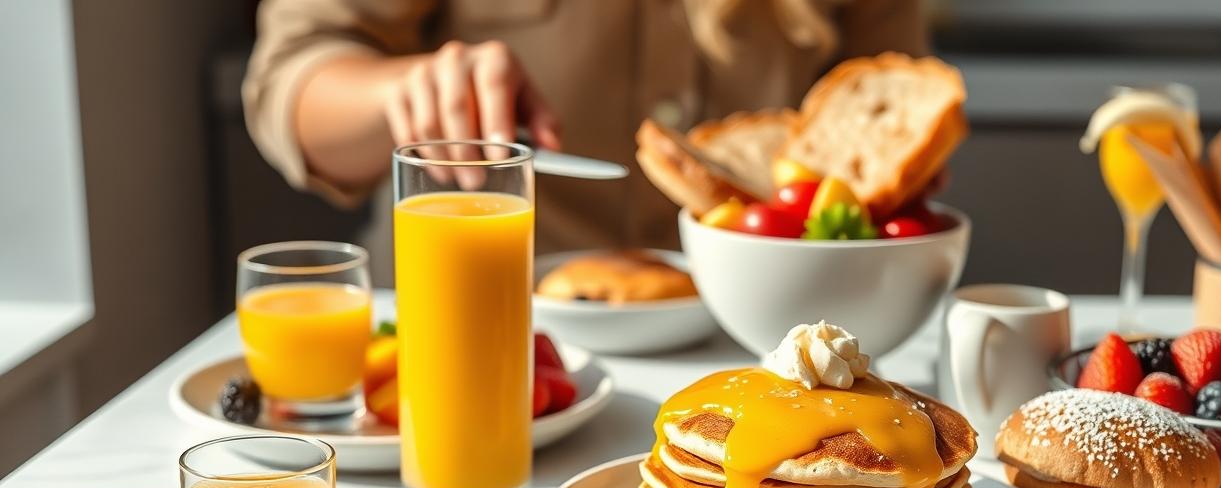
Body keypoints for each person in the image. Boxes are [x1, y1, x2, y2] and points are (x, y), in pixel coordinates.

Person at [243, 0, 926, 279]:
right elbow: (287, 85)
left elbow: (897, 102)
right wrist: (404, 91)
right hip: (482, 321)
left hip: (762, 339)